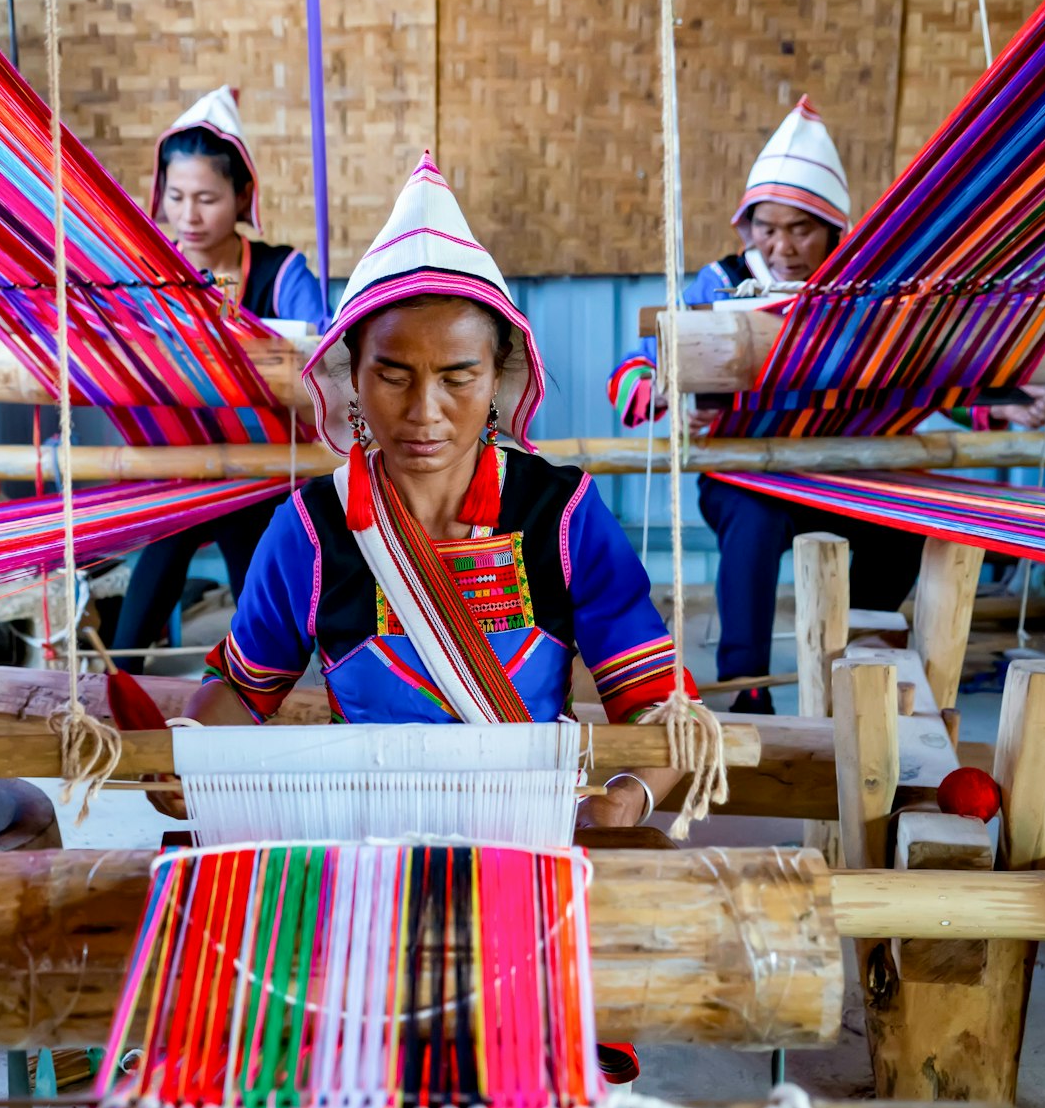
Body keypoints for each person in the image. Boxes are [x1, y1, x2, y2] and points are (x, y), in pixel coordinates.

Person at [184, 151, 699, 832]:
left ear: (496, 380)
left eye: (458, 376)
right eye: (394, 375)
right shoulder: (312, 529)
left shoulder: (561, 515)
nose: (426, 411)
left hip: (527, 835)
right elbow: (243, 692)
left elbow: (659, 706)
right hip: (368, 839)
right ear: (354, 379)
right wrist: (181, 756)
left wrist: (623, 801)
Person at [606, 97, 1045, 712]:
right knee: (756, 518)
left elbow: (918, 376)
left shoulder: (868, 298)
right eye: (767, 228)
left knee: (903, 524)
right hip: (746, 476)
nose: (783, 247)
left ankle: (860, 661)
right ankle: (749, 689)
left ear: (832, 231)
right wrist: (665, 390)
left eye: (800, 229)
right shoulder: (718, 286)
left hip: (844, 473)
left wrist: (1007, 406)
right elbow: (634, 369)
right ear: (747, 227)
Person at [110, 87, 329, 672]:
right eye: (176, 197)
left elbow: (317, 343)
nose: (188, 216)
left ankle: (250, 683)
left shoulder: (282, 271)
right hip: (179, 464)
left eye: (206, 198)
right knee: (172, 520)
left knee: (247, 540)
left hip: (261, 468)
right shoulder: (146, 275)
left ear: (241, 198)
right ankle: (118, 678)